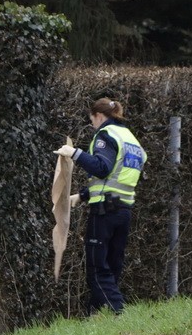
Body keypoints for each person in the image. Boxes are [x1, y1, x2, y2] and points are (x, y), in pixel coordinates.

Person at [54, 98, 146, 316]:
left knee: (96, 268)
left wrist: (75, 153)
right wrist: (83, 195)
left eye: (92, 120)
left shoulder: (106, 135)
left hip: (105, 211)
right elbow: (118, 176)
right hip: (123, 211)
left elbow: (103, 168)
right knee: (112, 265)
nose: (92, 125)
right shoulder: (131, 139)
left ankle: (119, 313)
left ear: (99, 116)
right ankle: (95, 315)